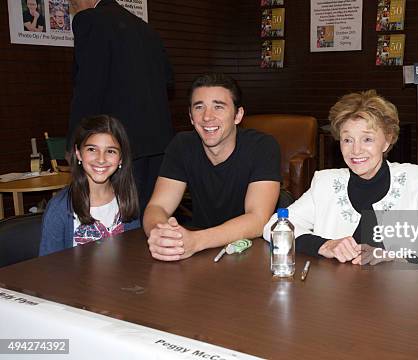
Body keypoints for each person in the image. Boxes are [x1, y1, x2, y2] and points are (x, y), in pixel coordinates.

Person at [264, 90, 418, 265]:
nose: (356, 151)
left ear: (387, 141)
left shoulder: (415, 180)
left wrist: (391, 257)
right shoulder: (326, 183)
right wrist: (325, 245)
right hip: (337, 291)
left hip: (398, 290)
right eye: (348, 140)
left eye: (367, 139)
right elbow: (274, 227)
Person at [144, 73, 281, 262]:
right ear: (191, 117)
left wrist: (195, 241)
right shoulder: (182, 145)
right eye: (199, 107)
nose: (207, 116)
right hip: (204, 252)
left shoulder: (262, 146)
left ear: (238, 115)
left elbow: (257, 219)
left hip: (253, 251)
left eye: (218, 107)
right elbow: (157, 206)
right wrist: (161, 235)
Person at [67, 0, 174, 214]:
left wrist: (74, 142)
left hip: (116, 143)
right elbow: (168, 80)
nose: (72, 6)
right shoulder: (146, 29)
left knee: (116, 218)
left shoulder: (91, 19)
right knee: (149, 216)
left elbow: (88, 88)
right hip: (158, 142)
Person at [40, 115, 140, 256]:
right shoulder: (59, 209)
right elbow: (49, 268)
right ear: (78, 153)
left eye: (110, 151)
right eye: (92, 149)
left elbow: (133, 255)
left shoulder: (126, 198)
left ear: (121, 158)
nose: (101, 159)